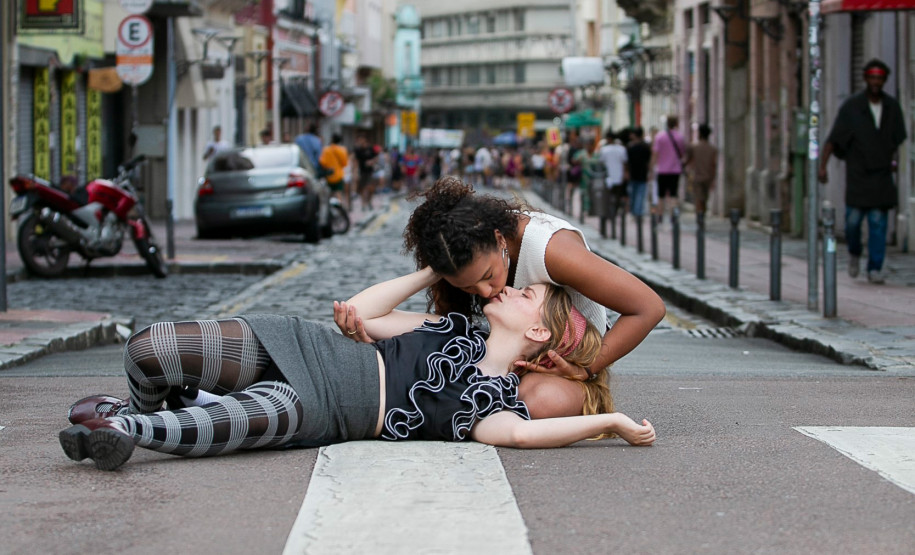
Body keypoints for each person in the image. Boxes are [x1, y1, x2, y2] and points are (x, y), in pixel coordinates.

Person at [58, 270, 656, 471]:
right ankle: (131, 409)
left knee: (219, 429)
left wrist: (614, 422)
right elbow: (363, 313)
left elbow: (529, 435)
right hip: (304, 347)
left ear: (538, 333)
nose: (506, 289)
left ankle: (122, 430)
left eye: (525, 293)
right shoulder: (455, 328)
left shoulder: (494, 406)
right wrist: (437, 270)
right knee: (146, 348)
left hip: (322, 412)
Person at [344, 177, 665, 420]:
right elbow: (446, 329)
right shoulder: (463, 262)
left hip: (568, 362)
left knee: (534, 402)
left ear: (499, 240)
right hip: (509, 357)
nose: (487, 294)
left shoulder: (550, 251)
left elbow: (648, 308)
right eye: (469, 288)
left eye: (487, 277)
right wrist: (436, 270)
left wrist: (585, 370)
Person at [818, 58, 907, 284]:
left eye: (880, 78)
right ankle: (855, 253)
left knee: (878, 224)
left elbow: (897, 141)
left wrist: (894, 161)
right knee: (852, 223)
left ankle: (875, 267)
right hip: (858, 175)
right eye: (872, 77)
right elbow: (833, 139)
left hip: (881, 175)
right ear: (866, 78)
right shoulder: (852, 107)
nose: (876, 82)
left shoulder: (892, 107)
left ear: (884, 80)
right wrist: (823, 166)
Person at [649, 116, 686, 222]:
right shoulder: (679, 137)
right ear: (676, 123)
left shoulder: (659, 137)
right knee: (674, 194)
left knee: (661, 195)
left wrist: (651, 169)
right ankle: (673, 215)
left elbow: (655, 154)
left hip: (662, 170)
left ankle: (660, 216)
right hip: (675, 170)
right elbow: (682, 153)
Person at [682, 124, 718, 215]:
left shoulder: (694, 147)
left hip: (697, 176)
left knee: (698, 199)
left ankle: (699, 218)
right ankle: (703, 217)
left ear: (700, 133)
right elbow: (714, 165)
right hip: (707, 177)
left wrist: (684, 167)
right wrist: (713, 179)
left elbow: (688, 161)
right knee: (704, 199)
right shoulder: (712, 149)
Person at [598, 128, 629, 230]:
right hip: (618, 177)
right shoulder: (621, 149)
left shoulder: (604, 149)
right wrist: (625, 173)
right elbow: (625, 163)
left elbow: (600, 162)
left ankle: (607, 215)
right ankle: (614, 213)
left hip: (607, 178)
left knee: (607, 198)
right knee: (617, 197)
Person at [626, 127, 652, 219]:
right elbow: (649, 161)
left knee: (633, 194)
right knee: (640, 194)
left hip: (634, 173)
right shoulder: (645, 146)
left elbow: (627, 162)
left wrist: (627, 172)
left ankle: (634, 212)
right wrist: (650, 172)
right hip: (642, 173)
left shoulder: (630, 146)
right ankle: (638, 212)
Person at [319, 134, 350, 207]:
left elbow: (322, 162)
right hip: (339, 174)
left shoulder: (326, 150)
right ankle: (340, 207)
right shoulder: (342, 150)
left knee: (329, 193)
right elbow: (345, 163)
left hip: (329, 174)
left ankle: (329, 208)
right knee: (338, 192)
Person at [353, 135, 379, 210]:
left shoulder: (371, 149)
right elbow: (356, 161)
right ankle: (363, 204)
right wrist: (355, 172)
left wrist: (371, 162)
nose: (361, 142)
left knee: (371, 188)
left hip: (370, 172)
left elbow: (376, 157)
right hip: (362, 172)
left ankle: (369, 201)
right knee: (363, 189)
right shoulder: (358, 150)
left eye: (362, 140)